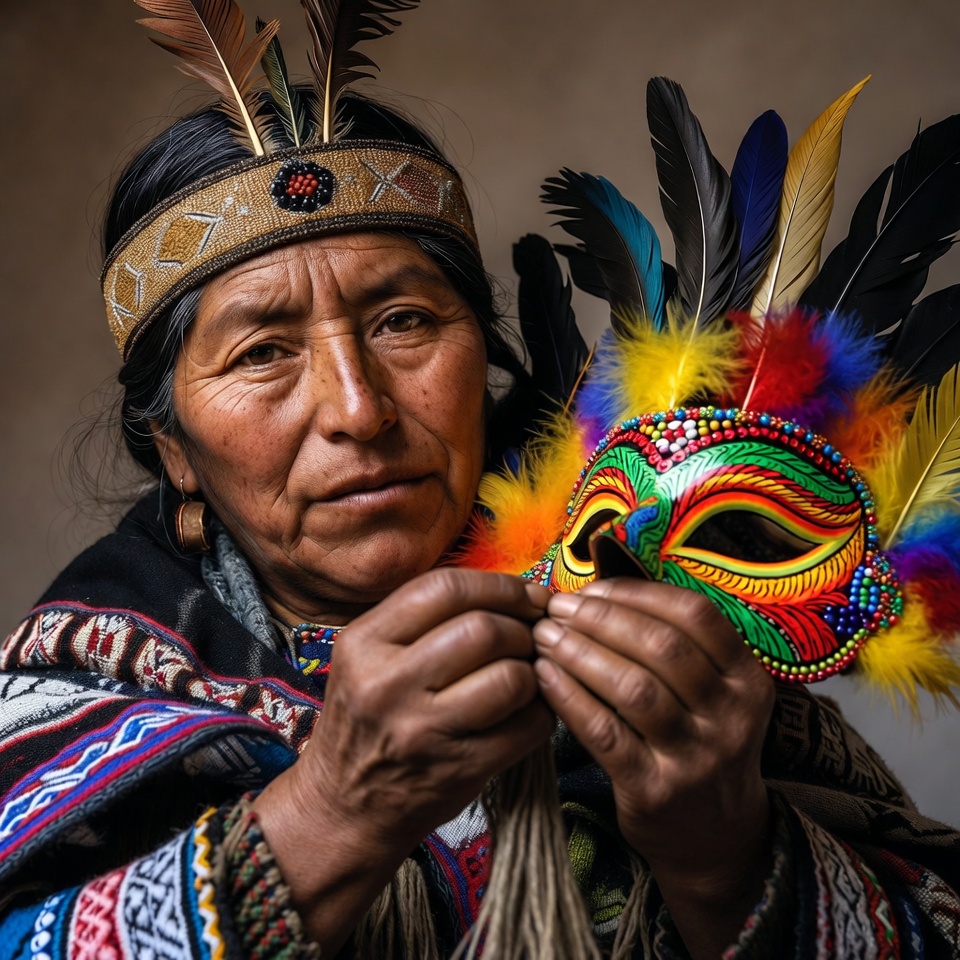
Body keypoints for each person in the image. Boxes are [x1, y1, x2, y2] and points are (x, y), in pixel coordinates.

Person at [1, 7, 959, 960]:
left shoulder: (672, 629)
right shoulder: (83, 687)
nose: (358, 410)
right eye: (262, 353)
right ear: (174, 450)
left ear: (484, 362)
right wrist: (333, 810)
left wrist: (723, 855)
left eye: (404, 322)